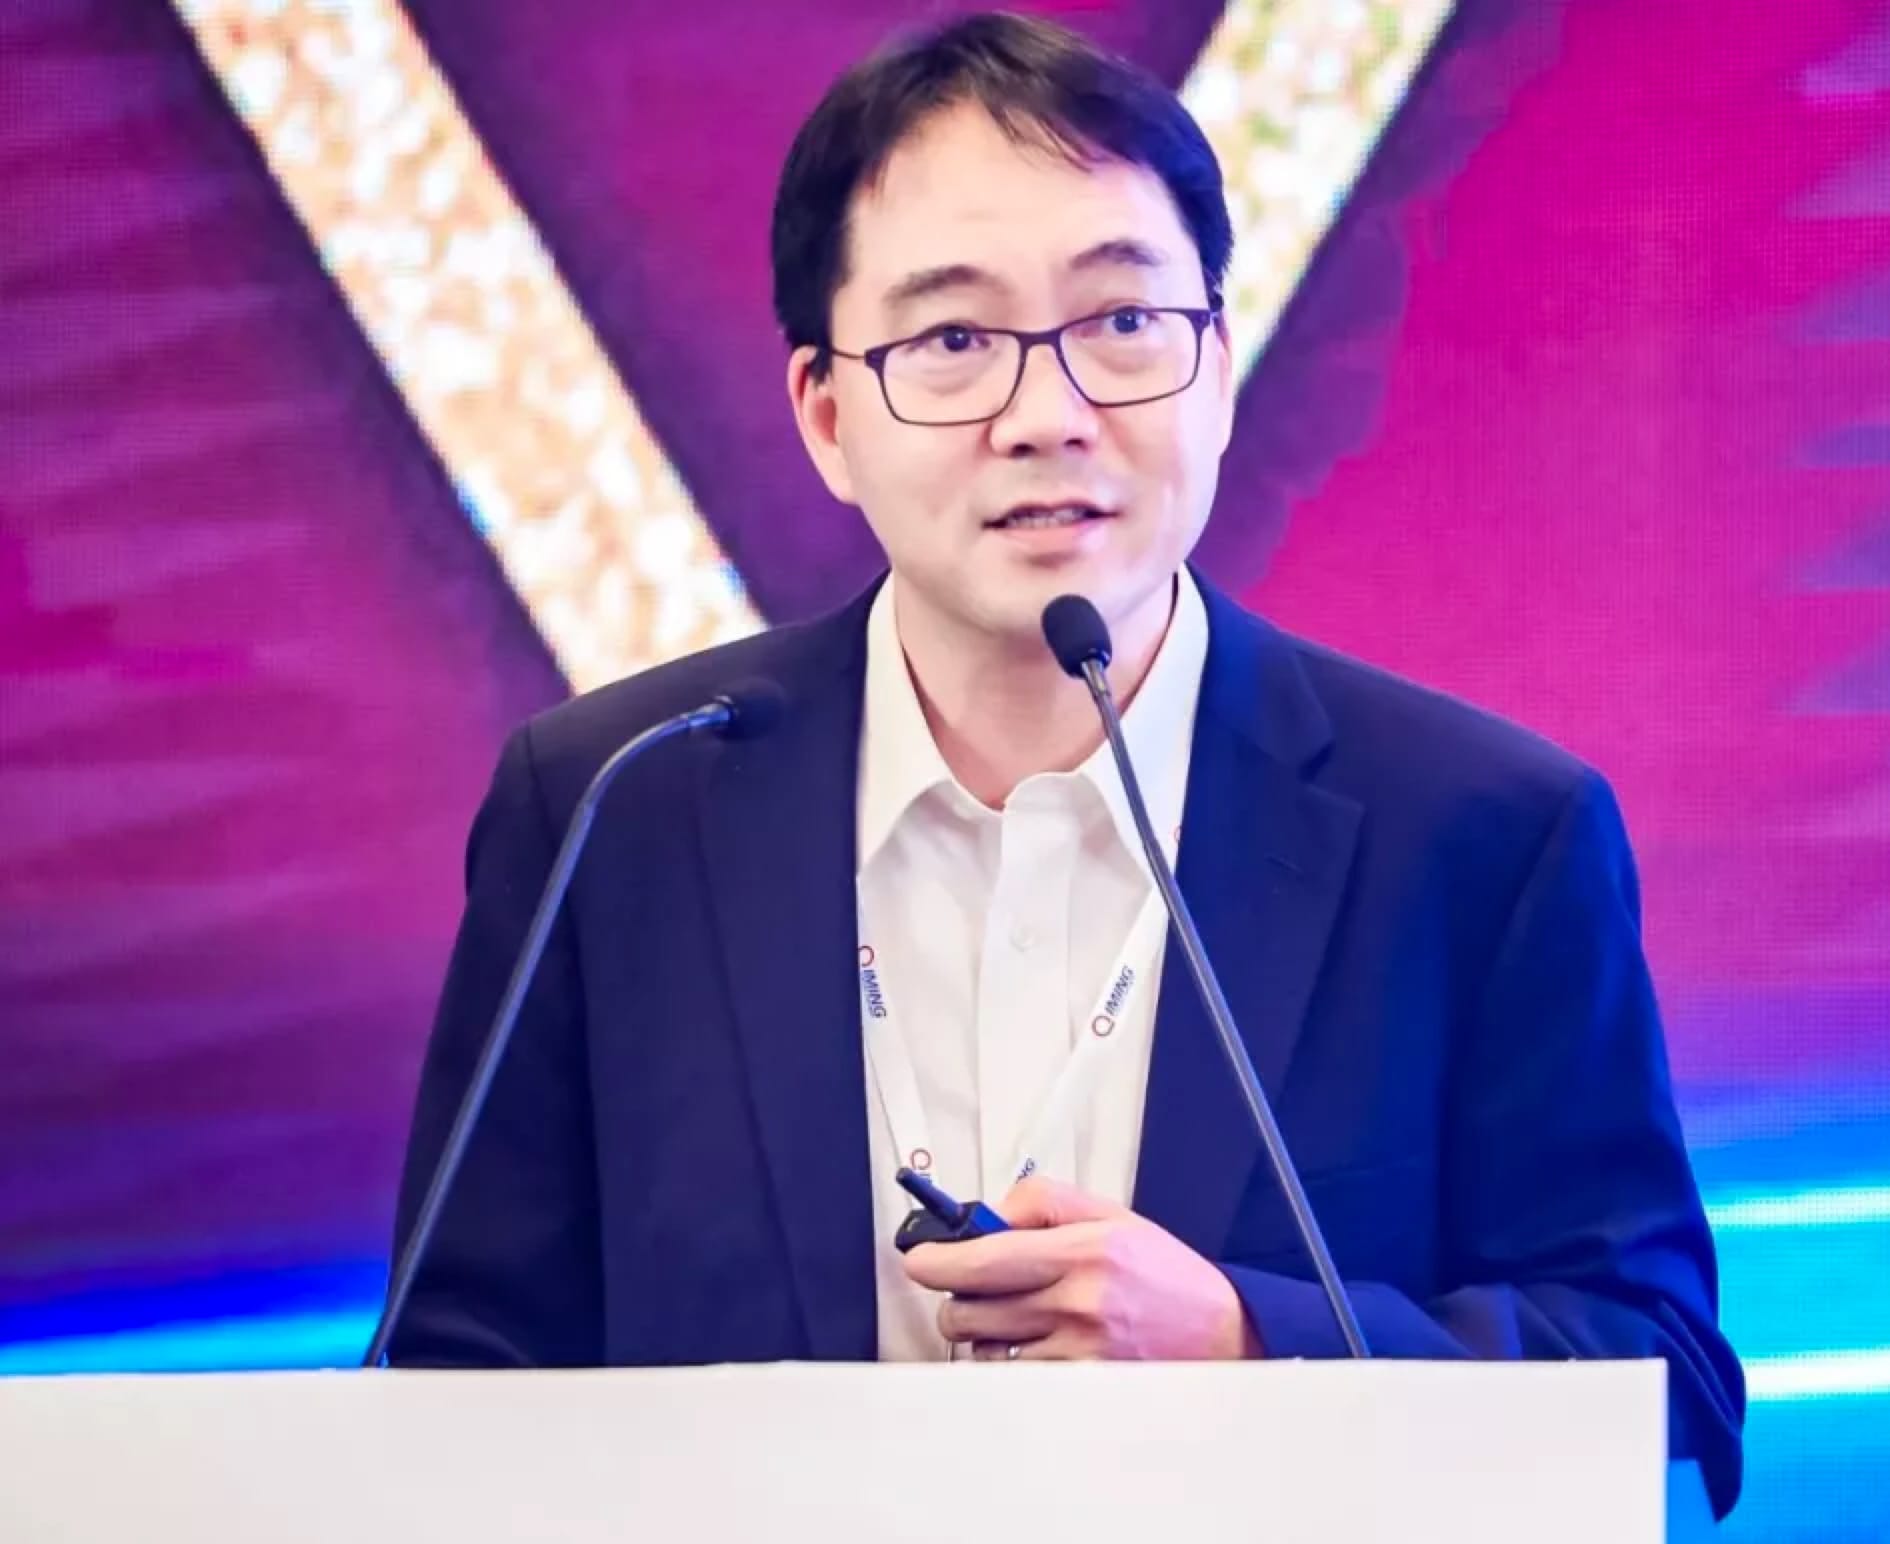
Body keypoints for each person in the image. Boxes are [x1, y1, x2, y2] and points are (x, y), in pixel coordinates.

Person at [390, 9, 1745, 1517]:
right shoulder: (615, 807)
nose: (1050, 417)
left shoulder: (1480, 834)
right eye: (953, 342)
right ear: (827, 416)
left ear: (1215, 365)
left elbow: (1662, 1372)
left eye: (1122, 324)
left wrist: (1250, 1344)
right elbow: (453, 1383)